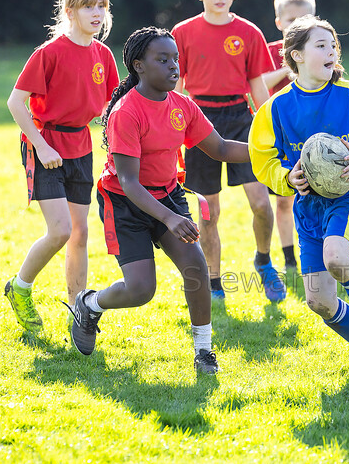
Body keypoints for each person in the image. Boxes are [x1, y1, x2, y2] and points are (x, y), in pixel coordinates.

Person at [68, 27, 249, 375]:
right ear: (139, 65)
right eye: (162, 60)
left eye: (175, 59)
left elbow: (222, 148)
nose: (173, 66)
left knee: (195, 268)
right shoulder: (126, 112)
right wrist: (170, 219)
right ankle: (89, 304)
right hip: (125, 202)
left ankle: (204, 352)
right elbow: (129, 181)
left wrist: (270, 151)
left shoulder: (182, 105)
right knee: (140, 290)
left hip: (167, 194)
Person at [249, 15, 349, 377]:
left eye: (333, 45)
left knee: (337, 257)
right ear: (296, 56)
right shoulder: (276, 108)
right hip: (308, 207)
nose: (331, 51)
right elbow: (262, 161)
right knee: (319, 300)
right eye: (320, 45)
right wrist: (287, 177)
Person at [5, 0, 119, 334]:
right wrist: (41, 144)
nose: (97, 13)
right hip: (46, 146)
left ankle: (77, 310)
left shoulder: (103, 54)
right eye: (88, 6)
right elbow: (16, 103)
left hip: (81, 147)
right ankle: (20, 288)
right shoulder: (49, 53)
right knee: (59, 231)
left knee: (80, 233)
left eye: (101, 6)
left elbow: (114, 106)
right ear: (70, 11)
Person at [172, 0, 285, 303]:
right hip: (198, 120)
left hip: (240, 120)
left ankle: (264, 261)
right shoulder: (183, 32)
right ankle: (214, 282)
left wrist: (272, 125)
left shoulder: (249, 32)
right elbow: (176, 89)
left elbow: (257, 85)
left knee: (262, 205)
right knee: (209, 213)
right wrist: (171, 128)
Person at [262, 0, 317, 280]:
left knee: (316, 194)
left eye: (305, 19)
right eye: (291, 19)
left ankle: (318, 254)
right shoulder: (268, 51)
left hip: (311, 135)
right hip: (279, 134)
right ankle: (289, 258)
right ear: (279, 22)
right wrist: (289, 66)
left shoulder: (319, 47)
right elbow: (258, 82)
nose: (298, 25)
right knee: (283, 199)